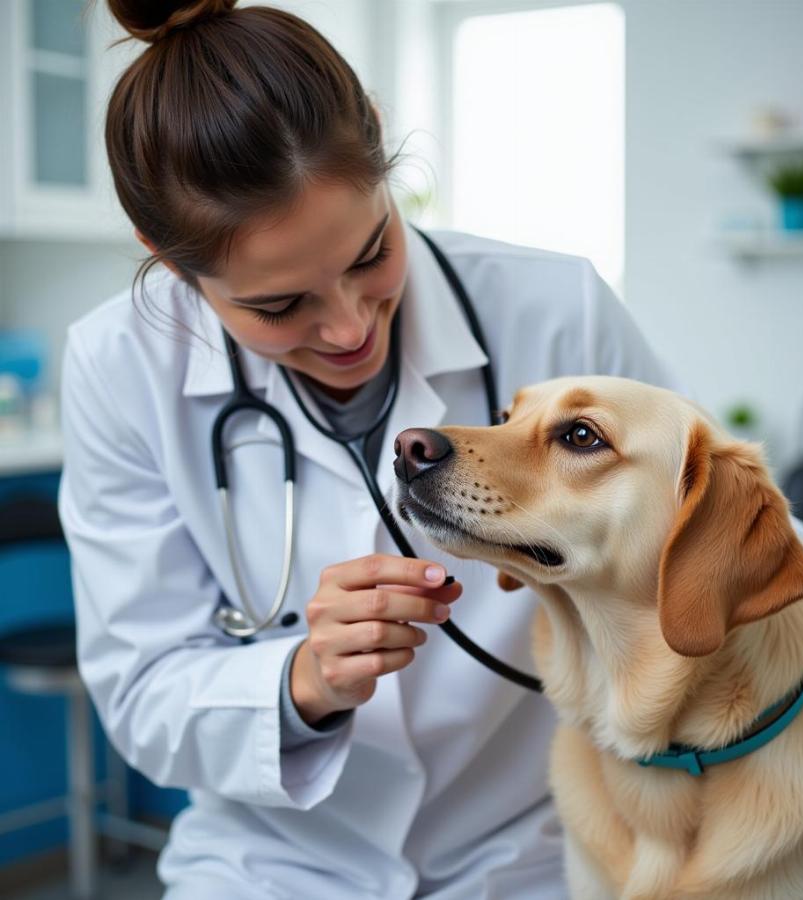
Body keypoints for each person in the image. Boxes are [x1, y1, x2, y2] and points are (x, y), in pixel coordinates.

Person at [59, 2, 682, 897]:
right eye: (278, 307)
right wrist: (305, 679)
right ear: (166, 257)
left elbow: (715, 532)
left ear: (383, 154)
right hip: (271, 862)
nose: (349, 327)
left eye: (369, 254)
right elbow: (143, 693)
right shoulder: (120, 368)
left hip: (535, 847)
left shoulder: (556, 310)